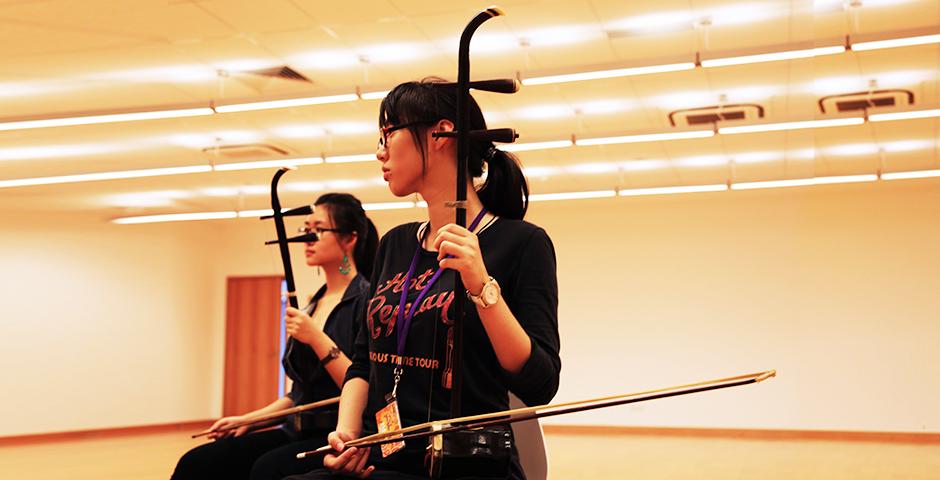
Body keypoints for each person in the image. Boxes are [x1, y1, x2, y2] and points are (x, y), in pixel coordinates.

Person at [289, 78, 561, 479]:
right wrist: (348, 433)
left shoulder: (521, 242)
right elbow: (364, 362)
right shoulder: (397, 243)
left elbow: (540, 383)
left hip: (468, 466)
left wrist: (482, 287)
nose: (379, 152)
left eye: (388, 133)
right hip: (386, 453)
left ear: (441, 134)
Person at [171, 193, 379, 480]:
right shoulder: (313, 303)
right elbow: (299, 395)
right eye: (304, 229)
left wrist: (316, 338)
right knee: (198, 462)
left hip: (336, 434)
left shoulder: (367, 299)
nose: (306, 239)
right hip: (295, 428)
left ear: (349, 238)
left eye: (317, 230)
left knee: (266, 470)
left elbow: (362, 381)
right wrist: (250, 419)